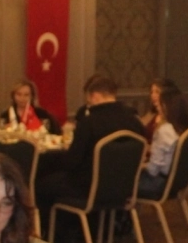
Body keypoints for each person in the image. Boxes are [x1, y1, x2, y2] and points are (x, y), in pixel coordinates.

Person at [36, 74, 144, 216]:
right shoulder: (134, 122)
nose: (89, 105)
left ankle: (58, 228)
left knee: (41, 184)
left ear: (95, 96)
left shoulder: (89, 123)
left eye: (89, 101)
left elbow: (72, 162)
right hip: (124, 188)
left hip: (88, 188)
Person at [138, 84, 188, 200]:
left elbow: (153, 170)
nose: (157, 109)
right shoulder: (183, 129)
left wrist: (139, 166)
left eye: (159, 106)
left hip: (157, 183)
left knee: (120, 182)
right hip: (176, 182)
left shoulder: (164, 131)